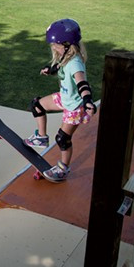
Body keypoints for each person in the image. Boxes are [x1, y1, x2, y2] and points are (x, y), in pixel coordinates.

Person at [24, 18, 97, 183]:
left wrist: (87, 100)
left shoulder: (76, 63)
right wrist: (50, 70)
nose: (53, 48)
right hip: (65, 98)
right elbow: (60, 66)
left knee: (63, 139)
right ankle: (41, 137)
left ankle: (63, 169)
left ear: (67, 44)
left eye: (55, 45)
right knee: (36, 105)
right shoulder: (66, 58)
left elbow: (82, 83)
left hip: (75, 106)